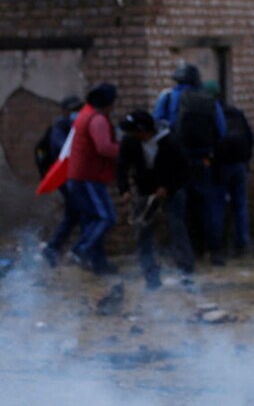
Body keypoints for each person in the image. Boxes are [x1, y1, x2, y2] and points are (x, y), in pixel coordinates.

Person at [153, 64, 228, 264]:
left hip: (175, 164)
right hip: (202, 161)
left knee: (178, 210)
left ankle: (187, 256)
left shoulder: (167, 98)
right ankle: (215, 252)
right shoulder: (209, 100)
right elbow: (221, 132)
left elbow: (156, 129)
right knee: (207, 206)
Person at [117, 110, 194, 289]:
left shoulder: (169, 141)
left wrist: (167, 187)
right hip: (145, 190)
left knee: (177, 229)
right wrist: (125, 190)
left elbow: (184, 169)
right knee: (143, 232)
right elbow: (121, 166)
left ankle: (186, 273)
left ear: (143, 131)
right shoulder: (130, 142)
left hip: (171, 191)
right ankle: (151, 277)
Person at [68, 83, 121, 275]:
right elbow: (104, 148)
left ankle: (99, 264)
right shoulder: (97, 119)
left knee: (93, 220)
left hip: (83, 175)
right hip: (88, 176)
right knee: (105, 218)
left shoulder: (87, 114)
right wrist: (122, 150)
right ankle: (80, 250)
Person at [205, 81, 254, 257]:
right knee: (240, 205)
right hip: (240, 164)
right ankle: (242, 243)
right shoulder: (235, 112)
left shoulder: (210, 114)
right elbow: (250, 137)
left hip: (220, 166)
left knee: (217, 205)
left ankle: (218, 246)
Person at [37, 95, 84, 268]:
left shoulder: (71, 125)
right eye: (73, 110)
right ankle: (61, 248)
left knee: (74, 214)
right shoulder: (60, 127)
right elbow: (64, 152)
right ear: (64, 111)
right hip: (66, 177)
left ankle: (54, 247)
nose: (76, 113)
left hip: (72, 177)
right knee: (79, 213)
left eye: (78, 109)